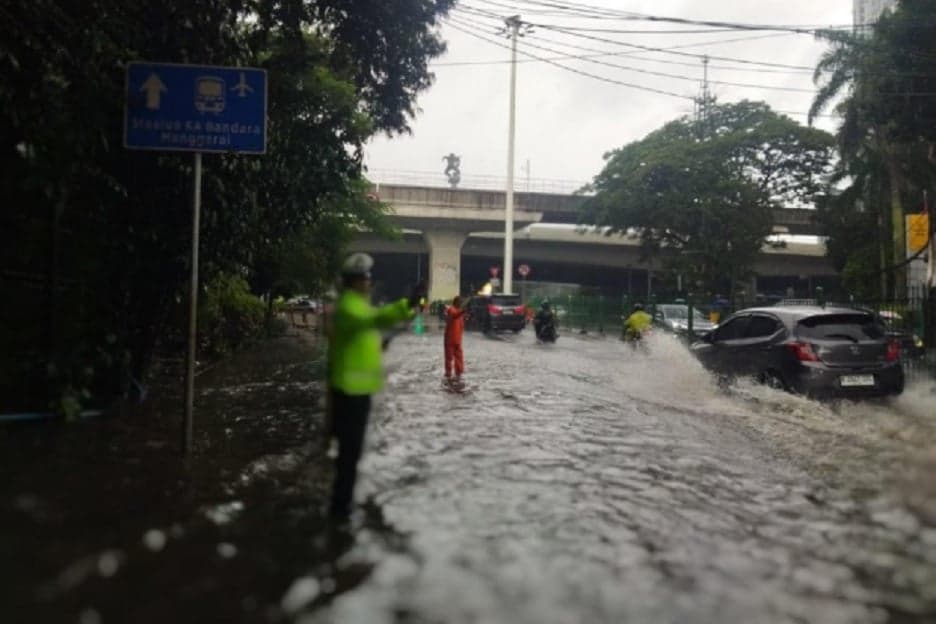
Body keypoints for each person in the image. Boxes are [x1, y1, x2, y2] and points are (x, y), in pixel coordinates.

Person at [326, 253, 417, 520]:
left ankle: (344, 504)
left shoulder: (360, 306)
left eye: (368, 277)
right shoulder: (349, 306)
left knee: (351, 452)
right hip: (349, 391)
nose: (369, 281)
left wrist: (384, 339)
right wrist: (405, 305)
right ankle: (340, 512)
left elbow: (369, 334)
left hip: (359, 390)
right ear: (353, 281)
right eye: (364, 277)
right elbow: (373, 321)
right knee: (348, 453)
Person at [444, 295, 470, 380]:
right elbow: (455, 315)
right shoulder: (451, 309)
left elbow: (460, 321)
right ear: (456, 302)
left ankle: (459, 372)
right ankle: (448, 373)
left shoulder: (459, 311)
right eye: (460, 302)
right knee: (449, 357)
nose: (461, 304)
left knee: (459, 356)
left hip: (458, 339)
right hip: (450, 339)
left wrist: (466, 317)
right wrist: (462, 312)